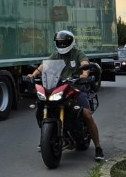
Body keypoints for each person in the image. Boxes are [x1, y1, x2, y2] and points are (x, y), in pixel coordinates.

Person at [28, 30, 104, 161]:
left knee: (87, 114)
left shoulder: (78, 53)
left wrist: (84, 74)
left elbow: (85, 64)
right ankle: (47, 136)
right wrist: (34, 74)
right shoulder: (55, 55)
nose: (62, 44)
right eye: (60, 42)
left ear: (70, 42)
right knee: (40, 107)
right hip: (59, 87)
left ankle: (98, 147)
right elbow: (44, 66)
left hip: (76, 88)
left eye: (65, 42)